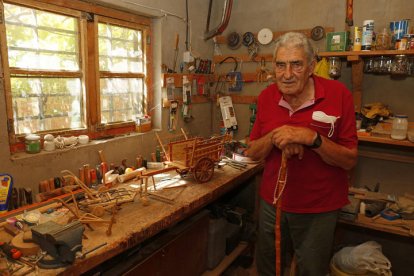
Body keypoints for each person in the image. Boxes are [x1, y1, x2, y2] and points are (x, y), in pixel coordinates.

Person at [244, 32, 358, 276]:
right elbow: (252, 152)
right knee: (267, 266)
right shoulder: (266, 97)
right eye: (280, 65)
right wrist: (278, 136)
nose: (287, 74)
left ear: (311, 66)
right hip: (272, 204)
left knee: (311, 269)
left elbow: (349, 159)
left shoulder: (339, 95)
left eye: (296, 64)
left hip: (319, 206)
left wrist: (312, 139)